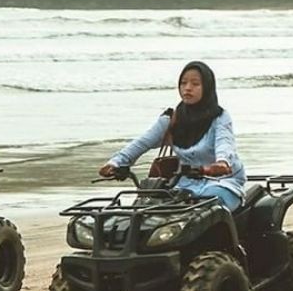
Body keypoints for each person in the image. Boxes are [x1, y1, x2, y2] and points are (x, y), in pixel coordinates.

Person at [99, 61, 246, 211]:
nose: (187, 88)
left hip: (222, 182)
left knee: (209, 208)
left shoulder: (220, 117)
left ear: (207, 87)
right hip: (184, 184)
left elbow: (225, 144)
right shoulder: (171, 118)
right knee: (148, 209)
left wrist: (221, 163)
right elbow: (142, 143)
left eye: (195, 84)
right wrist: (116, 163)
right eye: (183, 83)